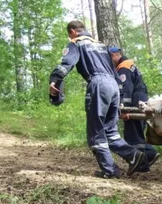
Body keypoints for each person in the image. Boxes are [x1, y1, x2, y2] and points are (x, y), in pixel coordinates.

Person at [49, 20, 145, 178]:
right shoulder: (101, 45)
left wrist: (55, 79)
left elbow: (67, 62)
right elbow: (114, 71)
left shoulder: (76, 43)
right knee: (110, 131)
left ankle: (110, 170)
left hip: (98, 84)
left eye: (69, 34)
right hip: (113, 85)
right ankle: (133, 155)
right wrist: (120, 97)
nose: (69, 37)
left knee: (95, 132)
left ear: (73, 31)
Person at [109, 47, 160, 172]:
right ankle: (147, 157)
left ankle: (145, 160)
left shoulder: (123, 67)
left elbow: (126, 88)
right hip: (141, 99)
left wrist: (125, 109)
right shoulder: (131, 65)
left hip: (135, 101)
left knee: (132, 134)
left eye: (110, 58)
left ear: (114, 55)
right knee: (137, 132)